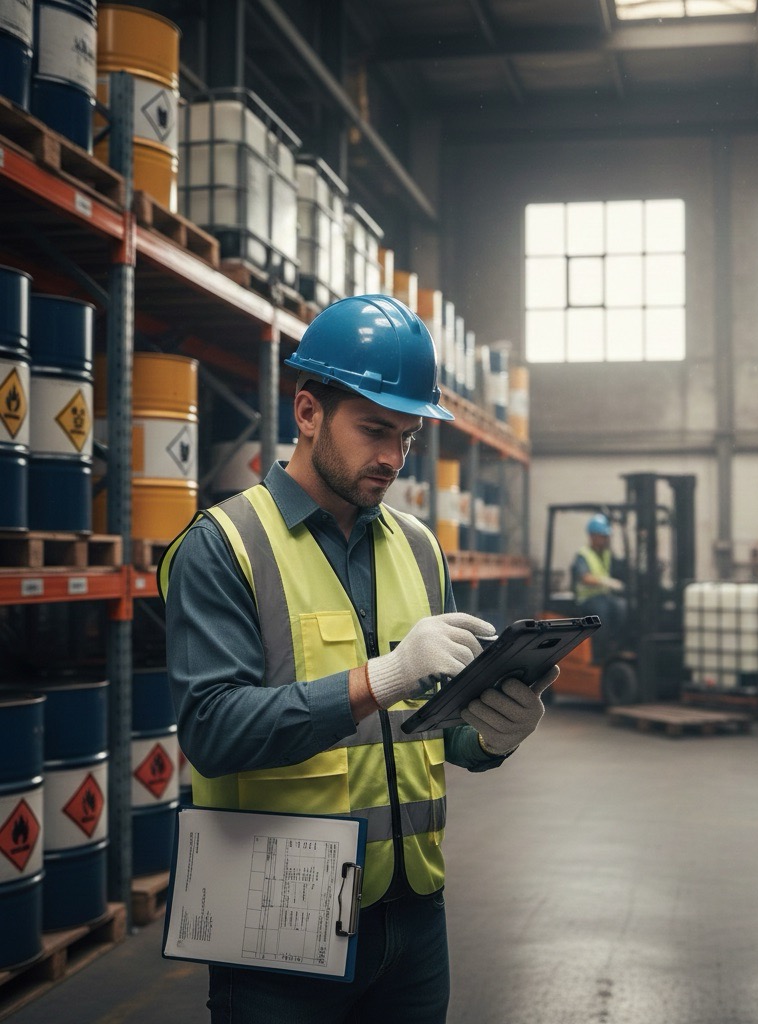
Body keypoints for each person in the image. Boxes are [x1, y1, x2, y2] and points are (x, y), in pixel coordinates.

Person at [158, 294, 556, 1023]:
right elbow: (211, 731)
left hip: (412, 914)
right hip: (277, 915)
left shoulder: (419, 547)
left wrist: (492, 736)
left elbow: (427, 732)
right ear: (307, 413)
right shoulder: (224, 545)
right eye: (375, 430)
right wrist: (384, 676)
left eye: (407, 437)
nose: (392, 458)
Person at [572, 513, 627, 658]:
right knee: (601, 613)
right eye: (602, 536)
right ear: (592, 536)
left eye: (606, 536)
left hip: (604, 596)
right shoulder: (583, 555)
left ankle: (616, 645)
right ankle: (601, 652)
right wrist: (606, 581)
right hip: (588, 599)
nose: (605, 539)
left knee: (622, 606)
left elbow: (618, 568)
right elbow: (585, 578)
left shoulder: (606, 554)